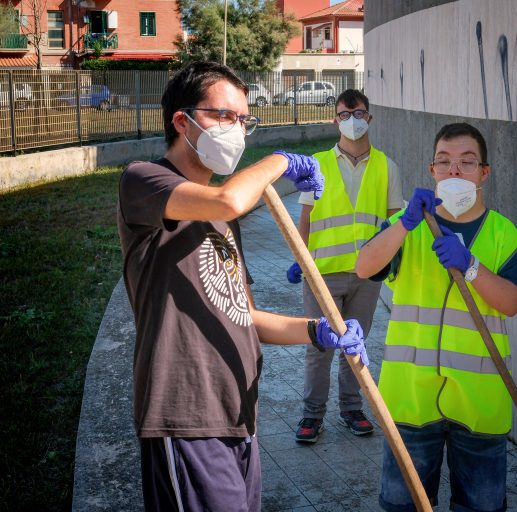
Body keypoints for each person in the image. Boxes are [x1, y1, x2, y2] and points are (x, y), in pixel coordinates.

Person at [117, 61, 369, 512]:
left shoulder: (223, 218)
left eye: (243, 120)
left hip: (237, 412)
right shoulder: (143, 180)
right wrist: (279, 161)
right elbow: (231, 194)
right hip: (186, 413)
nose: (236, 129)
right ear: (182, 120)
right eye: (224, 116)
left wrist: (318, 330)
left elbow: (245, 316)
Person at [356, 123, 517, 511]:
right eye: (444, 162)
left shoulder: (505, 234)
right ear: (432, 171)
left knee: (481, 507)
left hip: (479, 405)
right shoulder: (410, 225)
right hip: (411, 400)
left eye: (467, 163)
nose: (454, 171)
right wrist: (402, 224)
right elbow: (365, 267)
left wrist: (471, 266)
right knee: (404, 505)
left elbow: (511, 302)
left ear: (484, 173)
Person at [286, 89, 403, 443]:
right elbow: (304, 218)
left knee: (356, 344)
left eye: (358, 113)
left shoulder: (387, 166)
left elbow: (394, 221)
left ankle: (352, 409)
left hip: (367, 276)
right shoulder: (318, 163)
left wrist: (394, 263)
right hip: (322, 274)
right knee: (319, 348)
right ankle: (312, 415)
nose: (352, 119)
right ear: (335, 119)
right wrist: (300, 259)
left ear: (369, 117)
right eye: (344, 114)